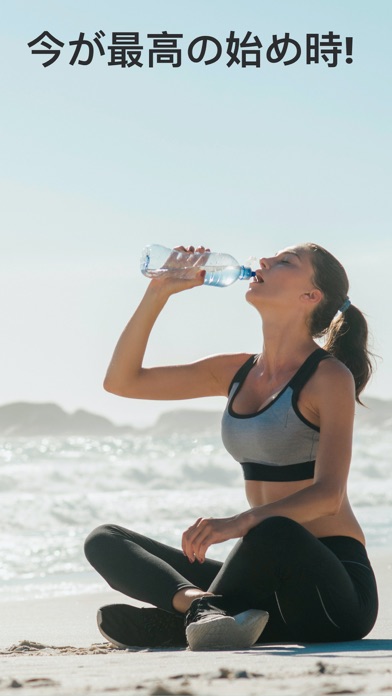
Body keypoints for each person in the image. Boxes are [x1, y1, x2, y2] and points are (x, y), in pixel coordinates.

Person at [85, 243, 378, 651]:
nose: (264, 262)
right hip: (261, 574)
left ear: (310, 297)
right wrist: (159, 293)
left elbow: (329, 496)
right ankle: (200, 609)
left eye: (284, 263)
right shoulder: (236, 371)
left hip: (332, 594)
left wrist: (239, 523)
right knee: (105, 539)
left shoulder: (328, 377)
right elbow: (122, 381)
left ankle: (185, 623)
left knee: (273, 531)